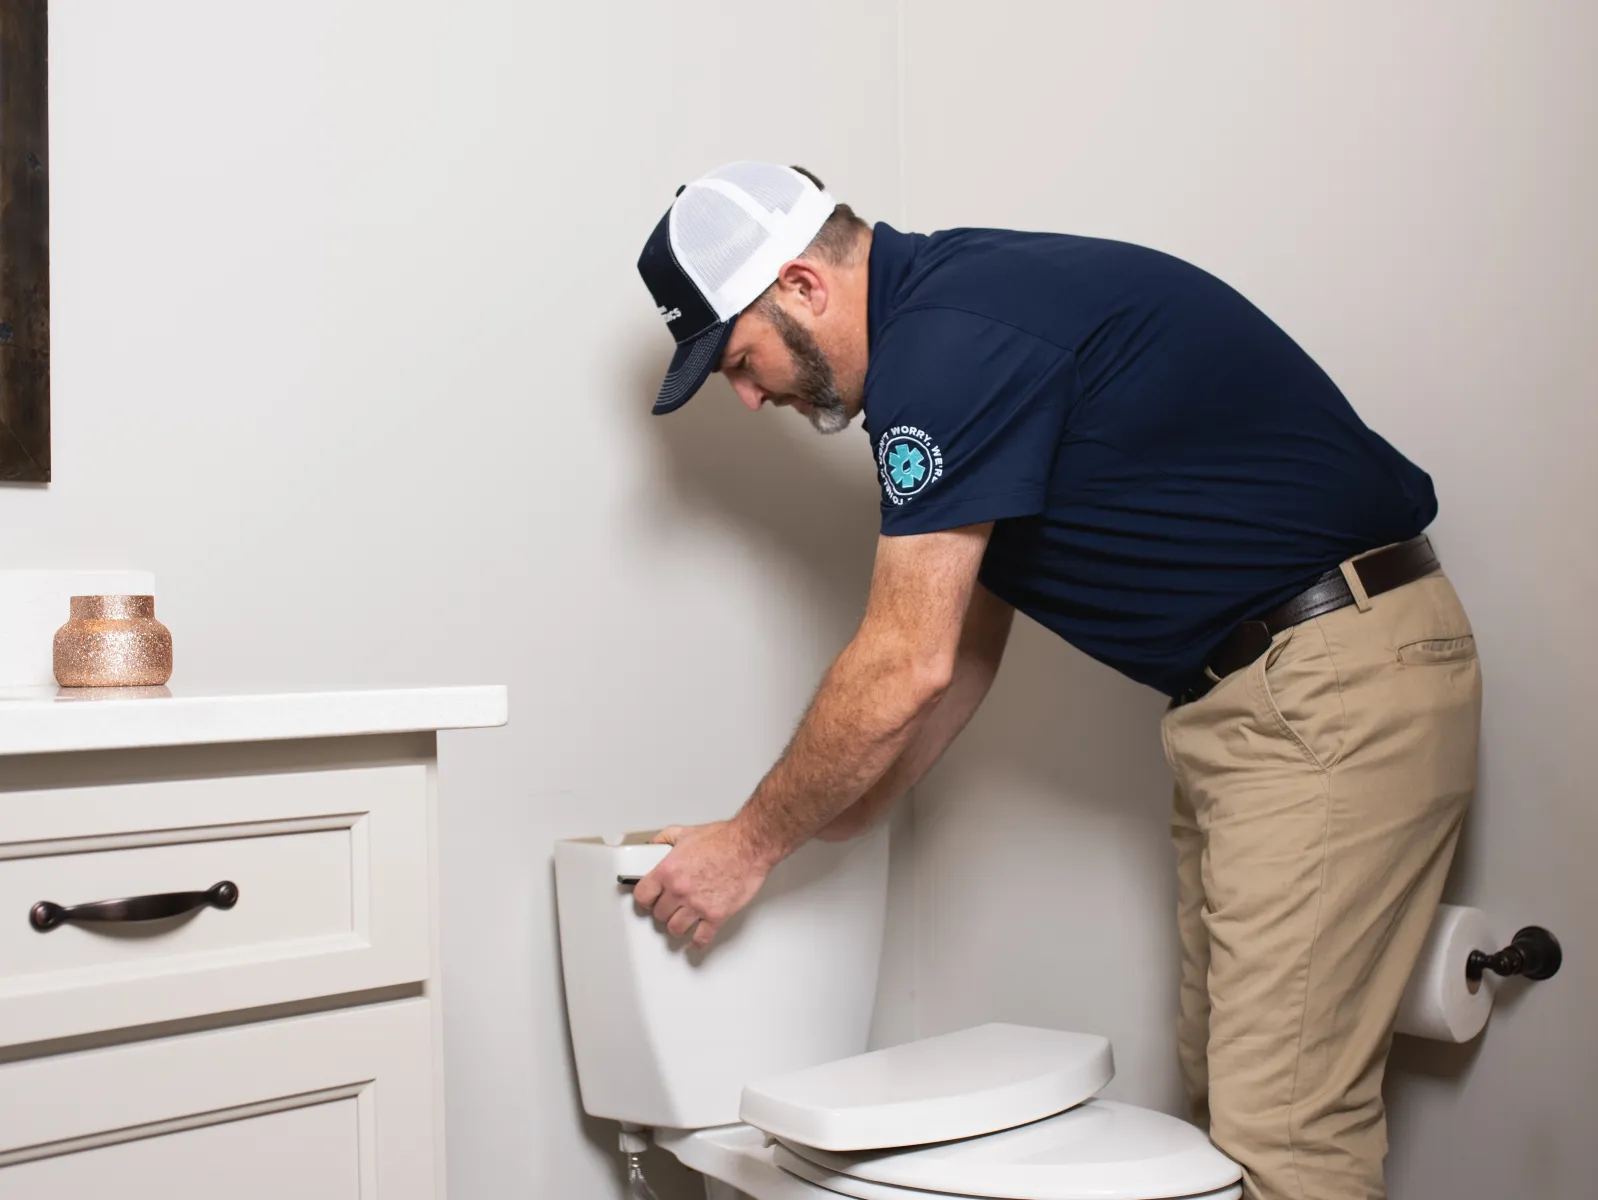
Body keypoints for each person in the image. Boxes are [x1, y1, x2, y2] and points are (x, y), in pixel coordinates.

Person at [628, 161, 1481, 1200]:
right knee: (1234, 1092)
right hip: (1270, 698)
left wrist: (747, 846)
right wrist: (848, 812)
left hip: (1327, 681)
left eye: (737, 359)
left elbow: (905, 660)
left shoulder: (943, 348)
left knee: (1286, 1134)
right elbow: (963, 647)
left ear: (801, 286)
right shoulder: (956, 316)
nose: (750, 394)